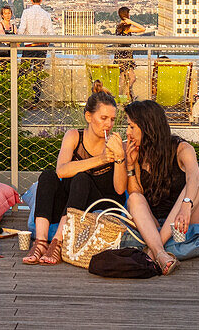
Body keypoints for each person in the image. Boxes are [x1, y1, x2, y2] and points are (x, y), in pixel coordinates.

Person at [23, 86, 127, 266]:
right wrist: (101, 159)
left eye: (112, 119)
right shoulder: (73, 136)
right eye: (103, 118)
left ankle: (58, 242)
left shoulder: (116, 144)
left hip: (99, 206)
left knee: (81, 178)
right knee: (47, 176)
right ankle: (40, 242)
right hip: (71, 207)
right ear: (88, 117)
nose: (109, 124)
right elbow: (61, 171)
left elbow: (119, 189)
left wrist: (119, 157)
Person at [123, 99, 199, 275]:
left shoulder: (181, 148)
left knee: (197, 187)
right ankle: (160, 253)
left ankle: (153, 251)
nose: (127, 132)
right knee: (134, 198)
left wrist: (186, 205)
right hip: (154, 221)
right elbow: (135, 193)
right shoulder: (136, 152)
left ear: (147, 127)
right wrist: (130, 166)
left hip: (183, 222)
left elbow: (195, 175)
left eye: (131, 127)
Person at [17, 0, 56, 103]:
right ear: (41, 0)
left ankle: (19, 95)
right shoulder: (46, 14)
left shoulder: (26, 12)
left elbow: (22, 29)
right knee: (38, 73)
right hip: (41, 47)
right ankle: (35, 99)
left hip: (29, 46)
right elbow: (51, 33)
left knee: (23, 72)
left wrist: (18, 39)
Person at [114, 6, 146, 101]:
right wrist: (130, 21)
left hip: (121, 56)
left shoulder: (119, 26)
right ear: (127, 15)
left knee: (124, 80)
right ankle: (124, 98)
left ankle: (124, 99)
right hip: (125, 57)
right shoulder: (126, 27)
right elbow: (142, 29)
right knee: (130, 79)